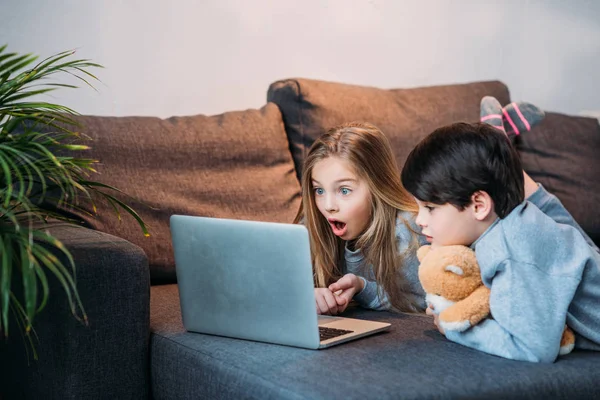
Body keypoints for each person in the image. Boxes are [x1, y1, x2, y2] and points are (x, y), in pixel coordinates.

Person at [400, 121, 600, 363]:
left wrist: (454, 328)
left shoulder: (511, 247)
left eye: (430, 208)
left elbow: (532, 347)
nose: (420, 219)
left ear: (479, 205)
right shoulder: (514, 223)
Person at [293, 122, 427, 315]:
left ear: (377, 187)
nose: (328, 205)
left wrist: (363, 288)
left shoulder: (408, 230)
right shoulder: (314, 221)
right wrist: (305, 295)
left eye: (344, 190)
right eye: (319, 190)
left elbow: (425, 304)